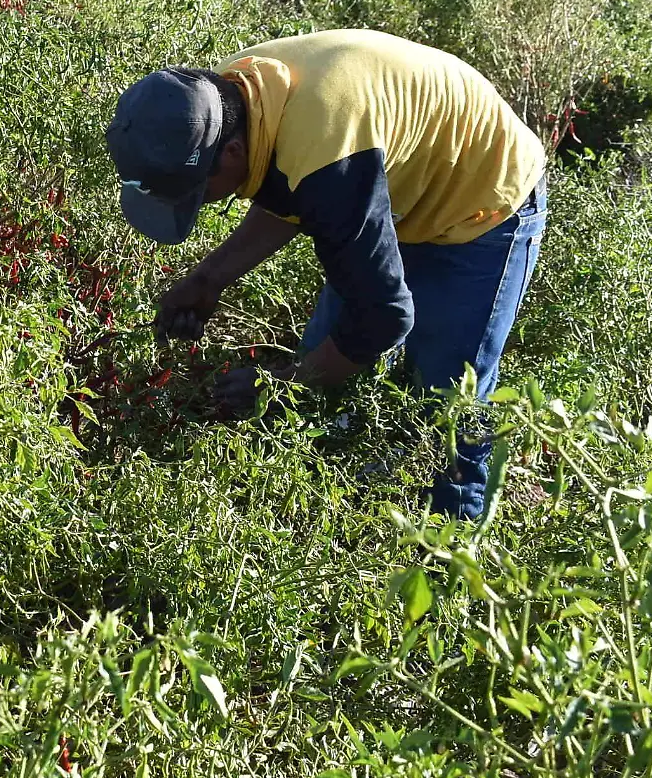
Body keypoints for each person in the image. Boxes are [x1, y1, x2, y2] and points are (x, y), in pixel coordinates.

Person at [106, 29, 548, 519]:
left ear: (228, 154)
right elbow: (287, 188)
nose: (198, 204)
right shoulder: (228, 98)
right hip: (391, 183)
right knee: (326, 370)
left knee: (448, 398)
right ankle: (344, 505)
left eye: (193, 193)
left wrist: (284, 383)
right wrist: (208, 280)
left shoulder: (327, 150)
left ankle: (450, 552)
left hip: (481, 206)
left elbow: (381, 317)